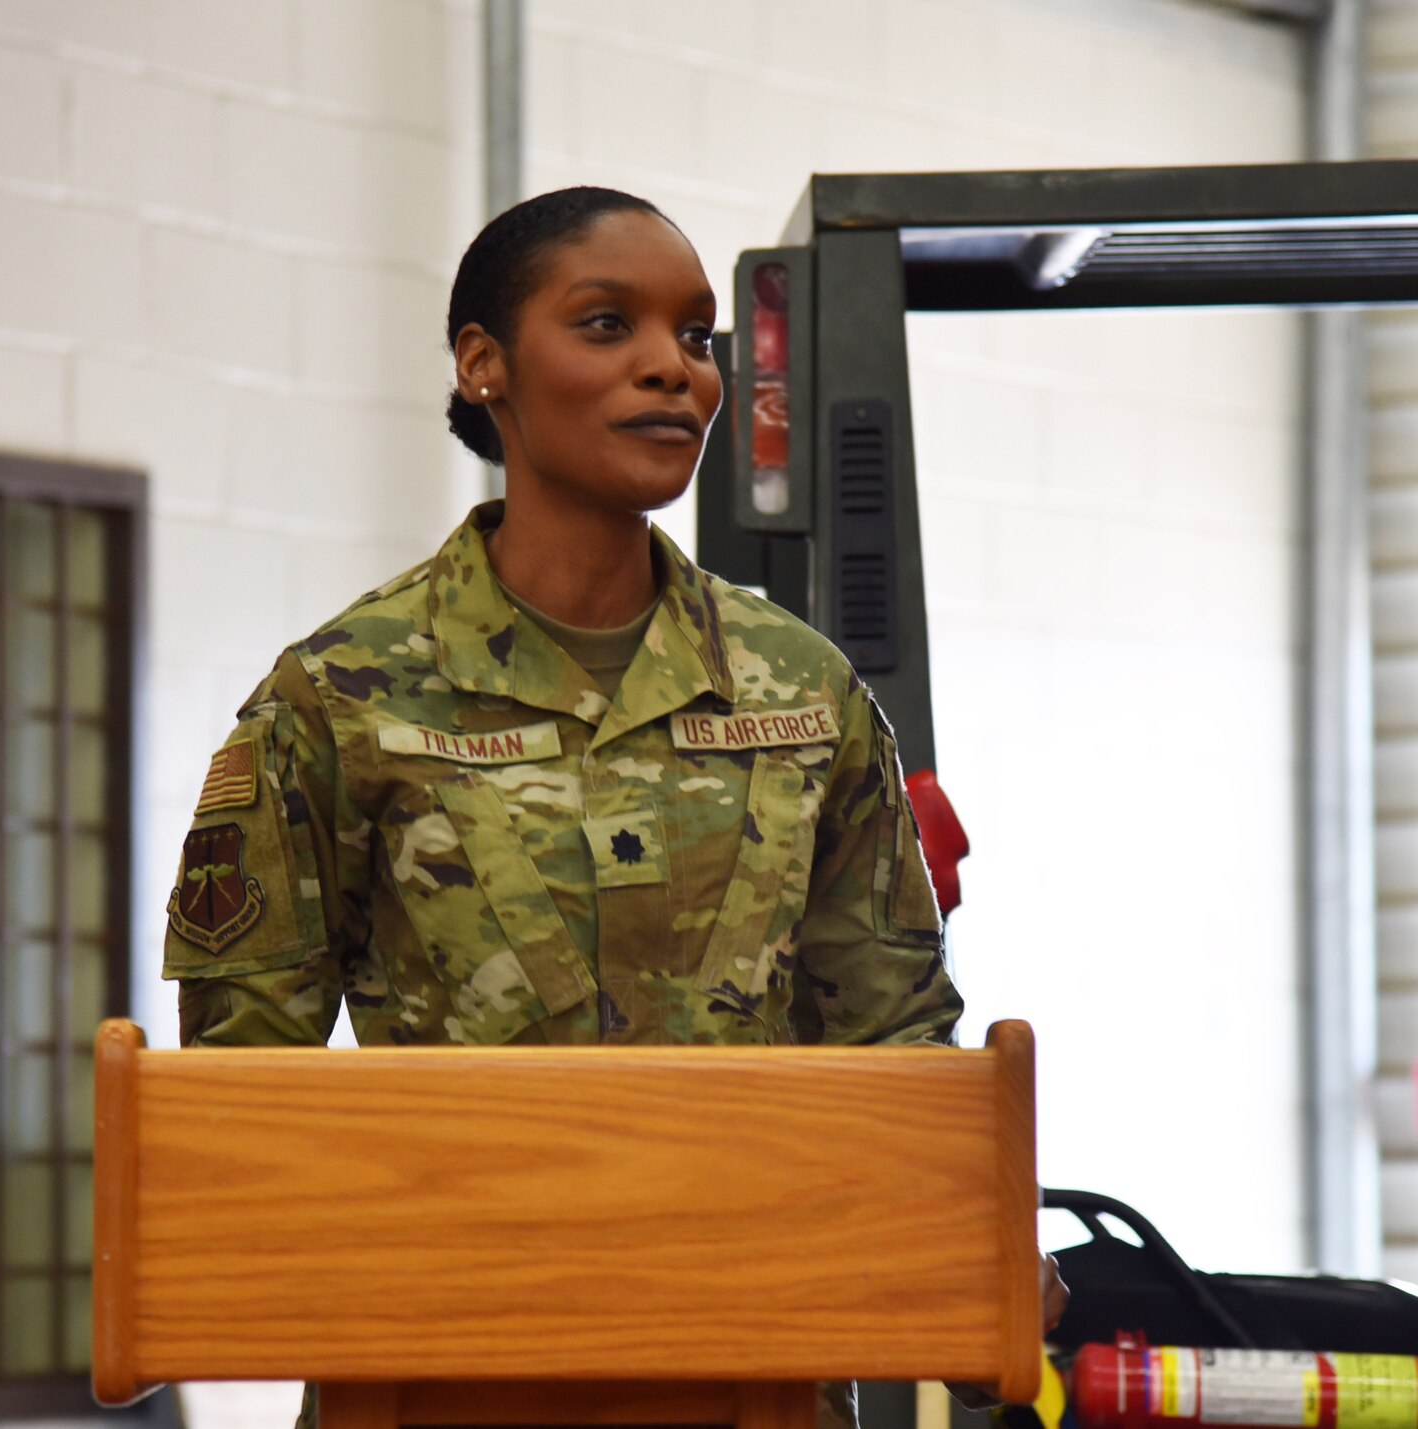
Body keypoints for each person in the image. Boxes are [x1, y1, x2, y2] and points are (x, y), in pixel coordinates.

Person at [162, 186, 1065, 1424]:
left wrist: (972, 1244)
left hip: (753, 1367)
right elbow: (242, 1094)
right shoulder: (340, 694)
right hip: (439, 1373)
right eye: (605, 326)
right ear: (484, 364)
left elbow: (894, 1043)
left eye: (694, 338)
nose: (672, 372)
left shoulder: (801, 691)